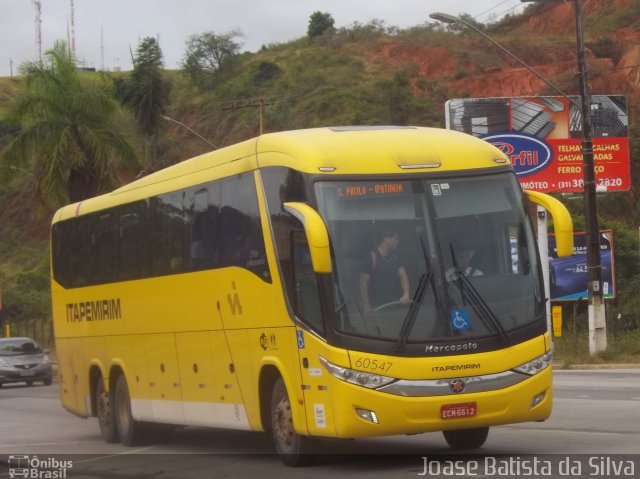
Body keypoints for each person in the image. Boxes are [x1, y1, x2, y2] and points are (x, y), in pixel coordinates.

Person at [359, 230, 410, 312]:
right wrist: (366, 305)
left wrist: (406, 294)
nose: (398, 242)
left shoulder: (395, 257)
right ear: (386, 239)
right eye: (396, 239)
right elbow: (363, 283)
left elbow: (403, 276)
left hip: (394, 305)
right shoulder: (371, 257)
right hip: (376, 307)